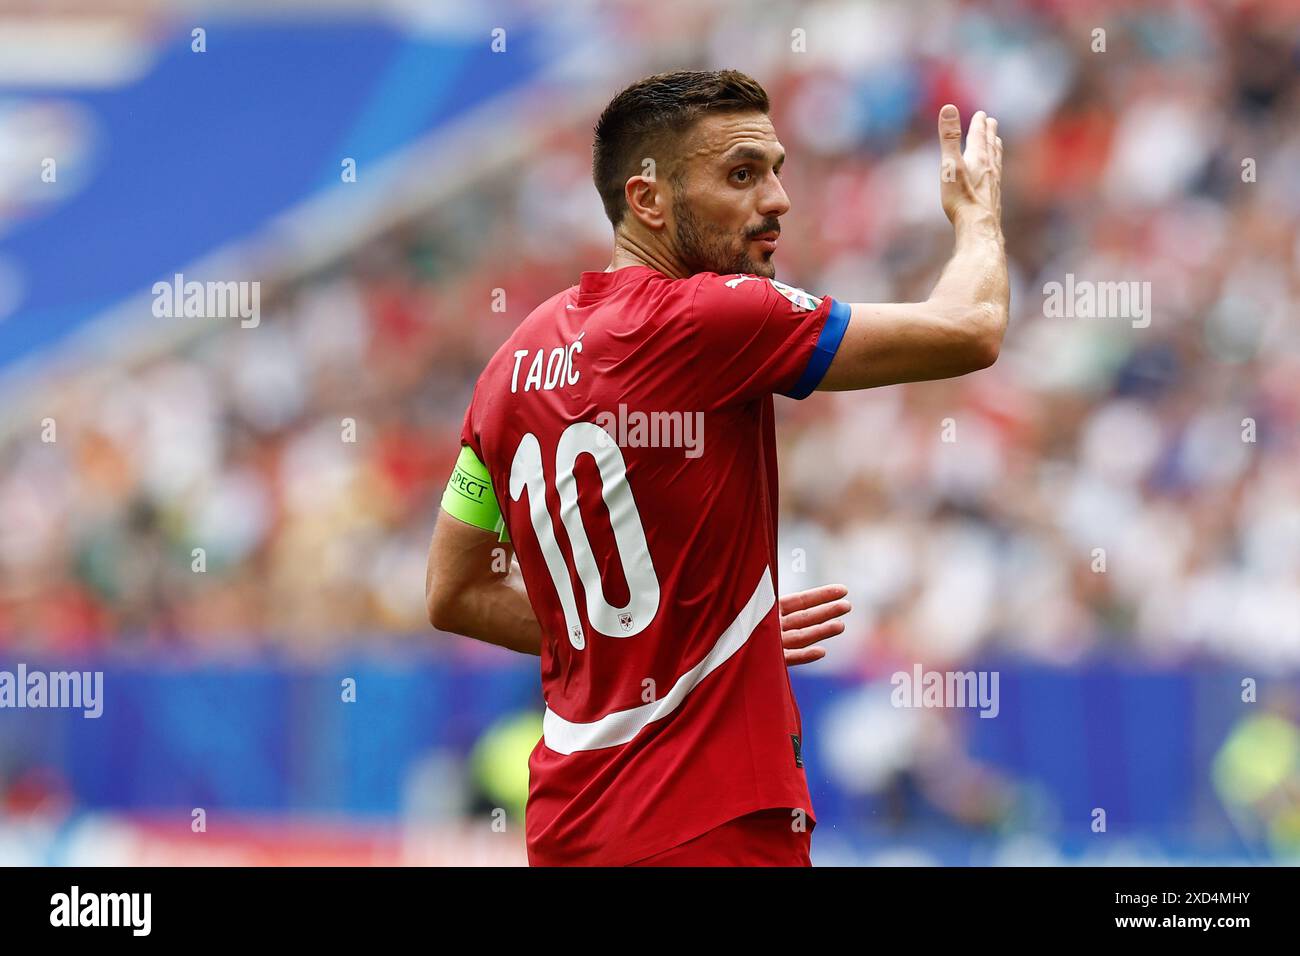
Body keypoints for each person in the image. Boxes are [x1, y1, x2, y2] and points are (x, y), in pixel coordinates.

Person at [425, 69, 1008, 866]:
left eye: (776, 170)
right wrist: (977, 222)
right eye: (741, 175)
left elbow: (452, 593)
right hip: (710, 821)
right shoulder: (712, 314)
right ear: (649, 200)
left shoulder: (507, 367)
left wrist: (676, 638)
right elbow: (971, 329)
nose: (777, 200)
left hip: (570, 826)